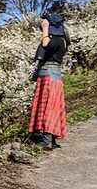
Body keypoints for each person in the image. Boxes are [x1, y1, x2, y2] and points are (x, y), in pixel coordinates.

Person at [29, 13, 68, 150]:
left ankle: (46, 142)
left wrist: (45, 28)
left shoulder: (56, 41)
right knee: (52, 106)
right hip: (52, 75)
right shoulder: (62, 40)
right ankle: (51, 139)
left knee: (48, 107)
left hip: (49, 76)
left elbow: (45, 43)